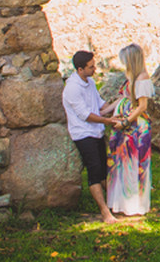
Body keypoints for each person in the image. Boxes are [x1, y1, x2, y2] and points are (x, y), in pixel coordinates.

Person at [62, 50, 124, 224]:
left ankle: (116, 204)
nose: (94, 69)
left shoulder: (89, 82)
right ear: (80, 69)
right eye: (91, 67)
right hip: (83, 134)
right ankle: (105, 212)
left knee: (103, 170)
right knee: (94, 172)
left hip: (96, 131)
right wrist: (108, 121)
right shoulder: (72, 88)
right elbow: (85, 115)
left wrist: (118, 105)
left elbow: (100, 105)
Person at [107, 43, 155, 216]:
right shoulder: (131, 77)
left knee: (134, 162)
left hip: (135, 127)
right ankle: (120, 202)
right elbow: (124, 98)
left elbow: (142, 106)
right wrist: (105, 112)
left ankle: (134, 204)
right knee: (121, 161)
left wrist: (126, 121)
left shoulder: (142, 78)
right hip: (125, 125)